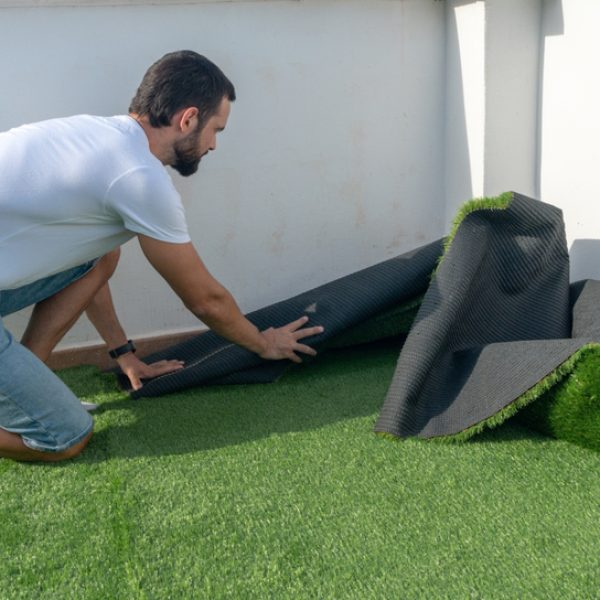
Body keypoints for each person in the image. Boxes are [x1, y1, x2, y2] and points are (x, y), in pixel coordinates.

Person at [0, 50, 323, 463]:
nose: (214, 145)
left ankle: (29, 373)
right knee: (65, 436)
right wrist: (263, 343)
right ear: (187, 119)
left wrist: (125, 354)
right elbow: (205, 299)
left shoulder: (94, 134)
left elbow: (88, 266)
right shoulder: (140, 177)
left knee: (101, 256)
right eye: (215, 130)